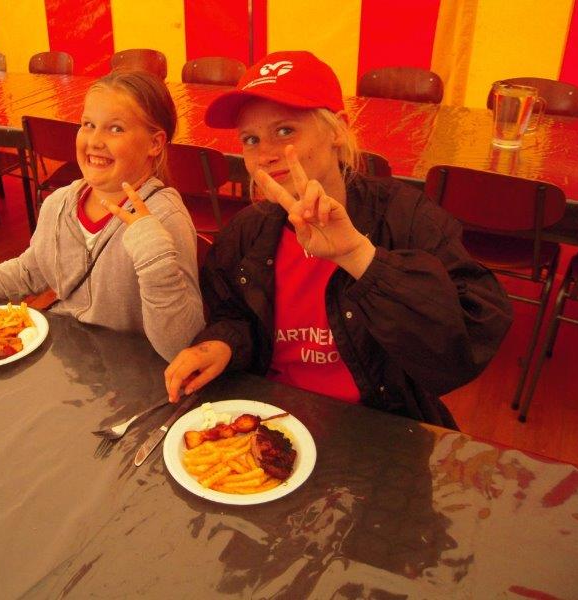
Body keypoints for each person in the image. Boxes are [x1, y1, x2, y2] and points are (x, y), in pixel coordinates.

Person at [164, 51, 512, 427]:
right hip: (272, 415)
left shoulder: (406, 217)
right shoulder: (246, 233)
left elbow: (465, 344)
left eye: (285, 131)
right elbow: (235, 315)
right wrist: (223, 343)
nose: (264, 155)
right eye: (251, 139)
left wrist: (360, 257)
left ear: (338, 130)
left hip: (379, 422)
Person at [0, 70, 204, 362]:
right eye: (88, 124)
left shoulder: (164, 219)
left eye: (116, 129)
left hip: (131, 374)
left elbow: (179, 346)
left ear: (154, 143)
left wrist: (154, 257)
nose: (95, 141)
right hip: (69, 361)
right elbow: (28, 272)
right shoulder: (60, 203)